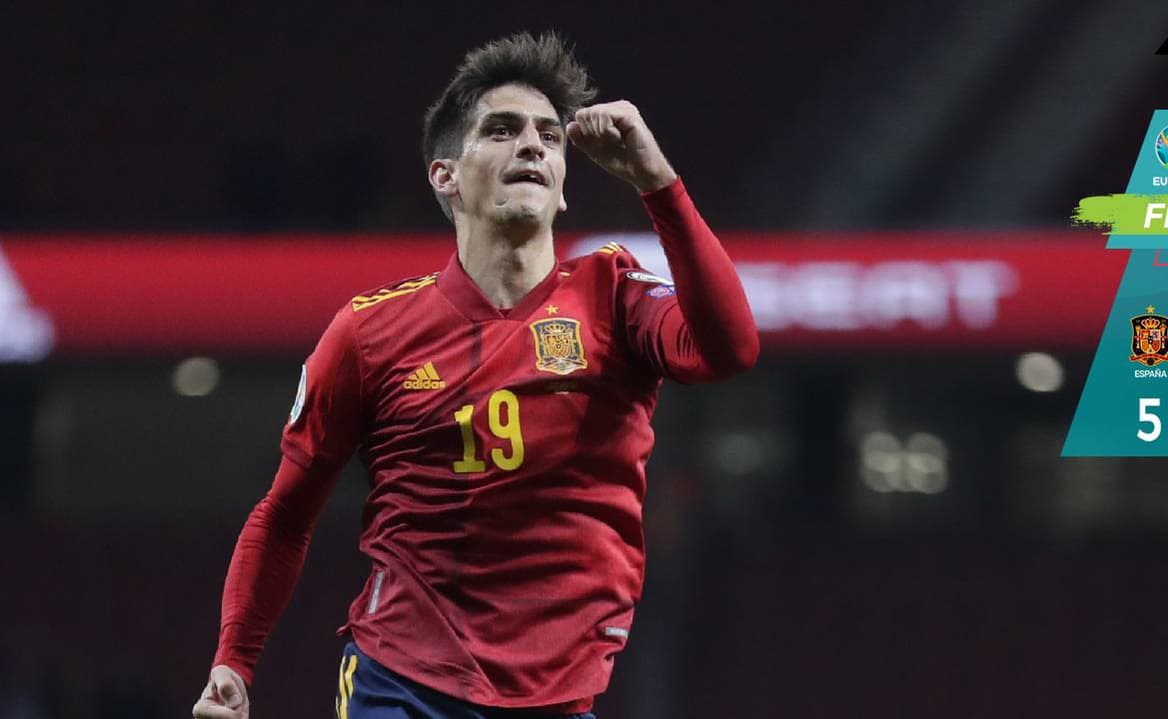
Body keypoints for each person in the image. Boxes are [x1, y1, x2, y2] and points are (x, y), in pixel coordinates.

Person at [192, 31, 757, 719]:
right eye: (502, 130)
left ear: (563, 186)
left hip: (559, 696)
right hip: (400, 683)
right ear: (446, 176)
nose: (532, 146)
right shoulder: (369, 334)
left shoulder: (614, 295)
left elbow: (730, 349)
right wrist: (234, 660)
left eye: (549, 136)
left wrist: (658, 183)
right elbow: (285, 516)